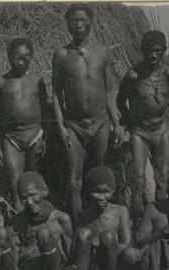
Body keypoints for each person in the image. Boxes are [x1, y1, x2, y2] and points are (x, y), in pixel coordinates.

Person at [52, 4, 122, 223]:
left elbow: (110, 90)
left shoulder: (103, 52)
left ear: (91, 22)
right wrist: (61, 127)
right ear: (67, 24)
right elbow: (55, 93)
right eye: (74, 20)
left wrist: (116, 123)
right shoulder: (61, 55)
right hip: (74, 125)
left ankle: (99, 225)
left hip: (100, 123)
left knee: (98, 177)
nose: (79, 24)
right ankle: (78, 228)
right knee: (75, 181)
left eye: (83, 20)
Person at [116, 30, 169, 218]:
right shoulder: (133, 76)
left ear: (164, 50)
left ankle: (161, 218)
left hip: (160, 129)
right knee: (139, 180)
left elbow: (167, 97)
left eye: (158, 51)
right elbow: (119, 101)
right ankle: (136, 221)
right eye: (149, 51)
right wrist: (129, 120)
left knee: (162, 177)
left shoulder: (168, 74)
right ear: (143, 51)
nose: (153, 55)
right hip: (139, 132)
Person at [0, 37, 49, 212]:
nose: (21, 61)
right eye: (17, 56)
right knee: (15, 185)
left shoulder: (37, 80)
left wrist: (46, 137)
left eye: (26, 57)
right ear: (9, 56)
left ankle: (36, 224)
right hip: (11, 139)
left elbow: (46, 112)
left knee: (33, 182)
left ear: (31, 57)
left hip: (35, 135)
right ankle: (18, 226)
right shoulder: (1, 82)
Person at [70, 166, 132, 270]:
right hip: (90, 264)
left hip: (114, 262)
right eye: (96, 192)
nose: (102, 197)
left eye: (106, 192)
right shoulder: (83, 215)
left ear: (113, 189)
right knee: (84, 233)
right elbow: (76, 248)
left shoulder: (120, 211)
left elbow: (126, 244)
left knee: (107, 236)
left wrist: (107, 244)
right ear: (89, 191)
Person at [9, 172, 73, 270]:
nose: (30, 202)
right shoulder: (18, 221)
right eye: (24, 198)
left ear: (44, 191)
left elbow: (71, 258)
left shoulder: (61, 219)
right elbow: (10, 257)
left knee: (43, 233)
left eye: (32, 195)